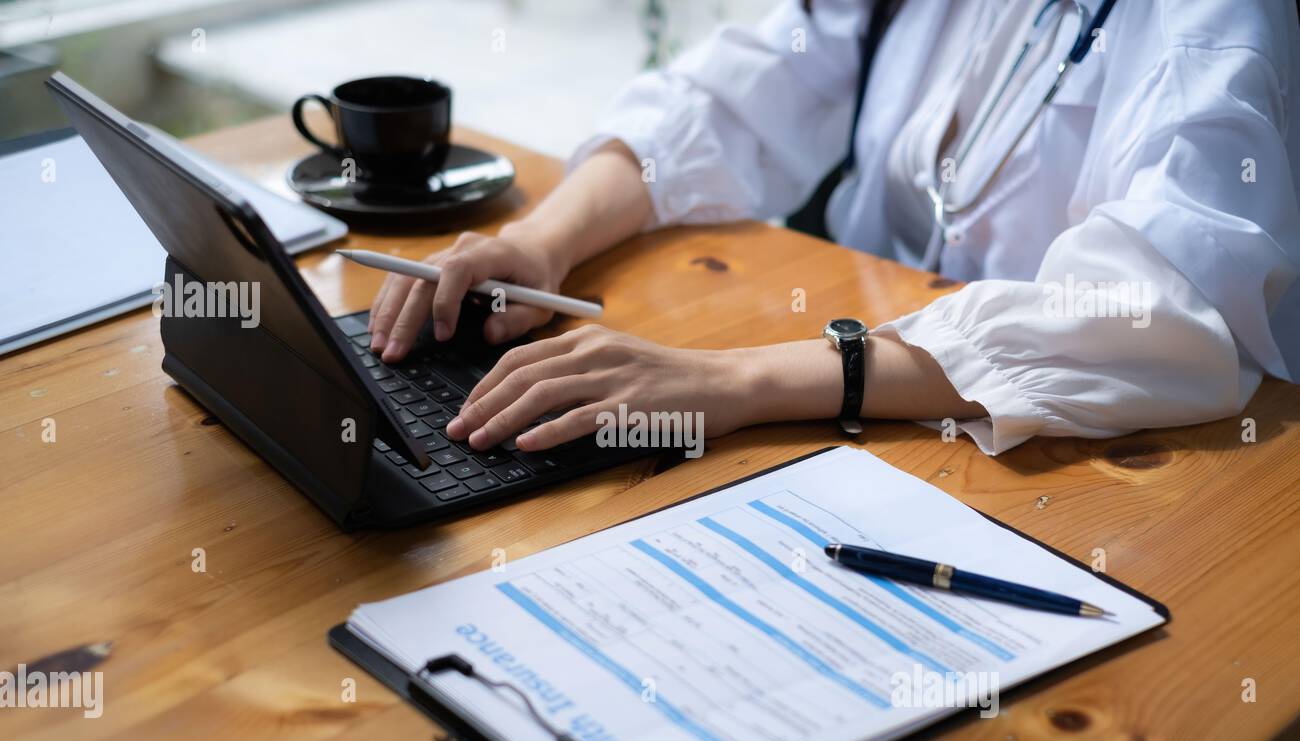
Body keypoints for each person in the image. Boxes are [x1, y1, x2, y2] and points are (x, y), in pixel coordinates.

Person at [367, 0, 1300, 457]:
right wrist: (541, 242)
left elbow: (1160, 315)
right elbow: (730, 97)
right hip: (862, 423)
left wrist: (735, 379)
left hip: (1062, 458)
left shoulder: (1218, 22)